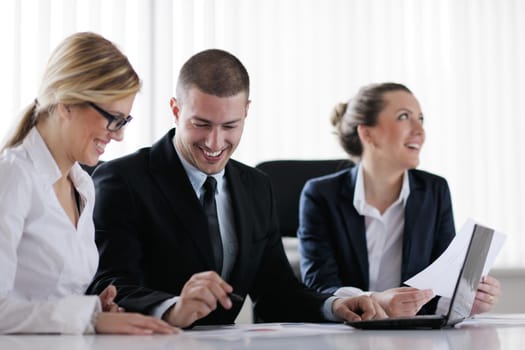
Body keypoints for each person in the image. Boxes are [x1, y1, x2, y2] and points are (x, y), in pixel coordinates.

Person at [87, 49, 387, 328]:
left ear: (246, 112)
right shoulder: (122, 180)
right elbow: (109, 285)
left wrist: (335, 306)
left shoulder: (257, 186)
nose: (215, 143)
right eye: (201, 124)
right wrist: (173, 308)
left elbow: (276, 292)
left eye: (230, 126)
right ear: (176, 110)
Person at [0, 32, 178, 335]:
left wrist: (94, 306)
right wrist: (87, 317)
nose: (119, 134)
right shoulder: (14, 178)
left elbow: (47, 299)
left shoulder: (82, 185)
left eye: (124, 121)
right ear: (67, 103)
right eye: (113, 118)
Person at [298, 82, 501, 317]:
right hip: (345, 333)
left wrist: (466, 302)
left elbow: (441, 286)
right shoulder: (321, 195)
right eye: (404, 117)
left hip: (414, 334)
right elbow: (319, 286)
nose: (420, 131)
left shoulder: (434, 191)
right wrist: (372, 301)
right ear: (367, 133)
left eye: (421, 119)